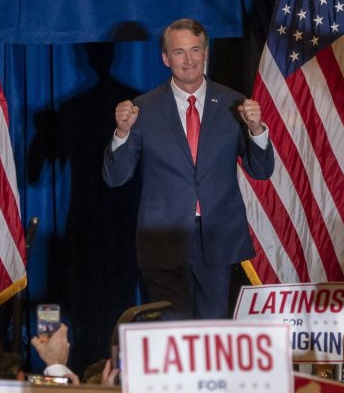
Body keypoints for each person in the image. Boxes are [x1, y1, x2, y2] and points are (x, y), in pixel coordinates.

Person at [103, 18, 275, 319]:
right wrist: (122, 133)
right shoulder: (142, 109)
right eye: (179, 52)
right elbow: (116, 177)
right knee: (173, 332)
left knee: (213, 332)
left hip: (217, 239)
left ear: (206, 52)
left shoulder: (234, 104)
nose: (189, 60)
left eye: (195, 50)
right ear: (165, 58)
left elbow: (261, 171)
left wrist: (257, 130)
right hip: (164, 240)